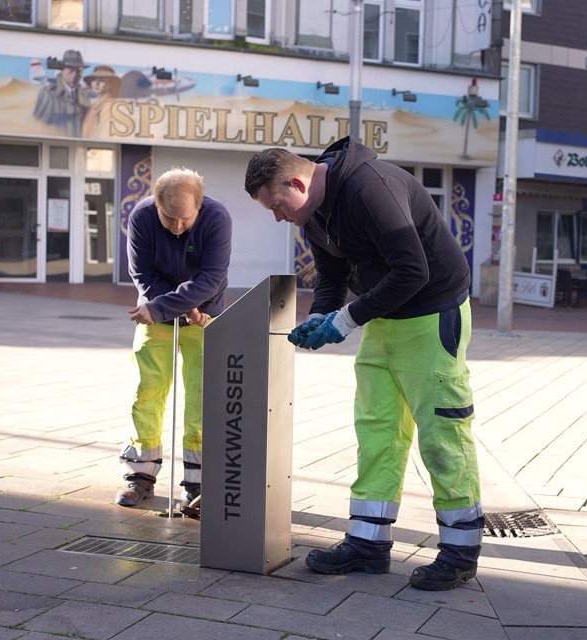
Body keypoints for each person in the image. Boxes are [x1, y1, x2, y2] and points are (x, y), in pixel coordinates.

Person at [244, 138, 483, 591]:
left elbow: (414, 271)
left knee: (442, 433)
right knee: (377, 431)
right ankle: (369, 544)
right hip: (384, 316)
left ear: (297, 181)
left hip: (433, 315)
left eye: (278, 205)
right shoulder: (312, 211)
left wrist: (347, 318)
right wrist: (321, 314)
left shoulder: (370, 187)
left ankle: (459, 551)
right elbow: (331, 273)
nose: (279, 217)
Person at [116, 168, 233, 512]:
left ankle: (197, 484)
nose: (177, 226)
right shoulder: (141, 216)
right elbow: (142, 274)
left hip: (203, 314)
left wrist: (188, 309)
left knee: (201, 396)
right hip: (154, 312)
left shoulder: (217, 218)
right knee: (147, 391)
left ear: (200, 204)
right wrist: (168, 308)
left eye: (185, 219)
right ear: (156, 204)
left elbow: (212, 277)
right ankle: (140, 474)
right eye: (169, 217)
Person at [33, 49, 90, 137]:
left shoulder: (84, 96)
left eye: (79, 70)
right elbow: (37, 125)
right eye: (71, 69)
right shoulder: (48, 94)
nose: (75, 74)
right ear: (62, 70)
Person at [81, 65, 121, 139]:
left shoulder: (108, 106)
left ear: (110, 84)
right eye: (94, 79)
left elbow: (105, 138)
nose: (97, 83)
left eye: (102, 80)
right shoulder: (95, 106)